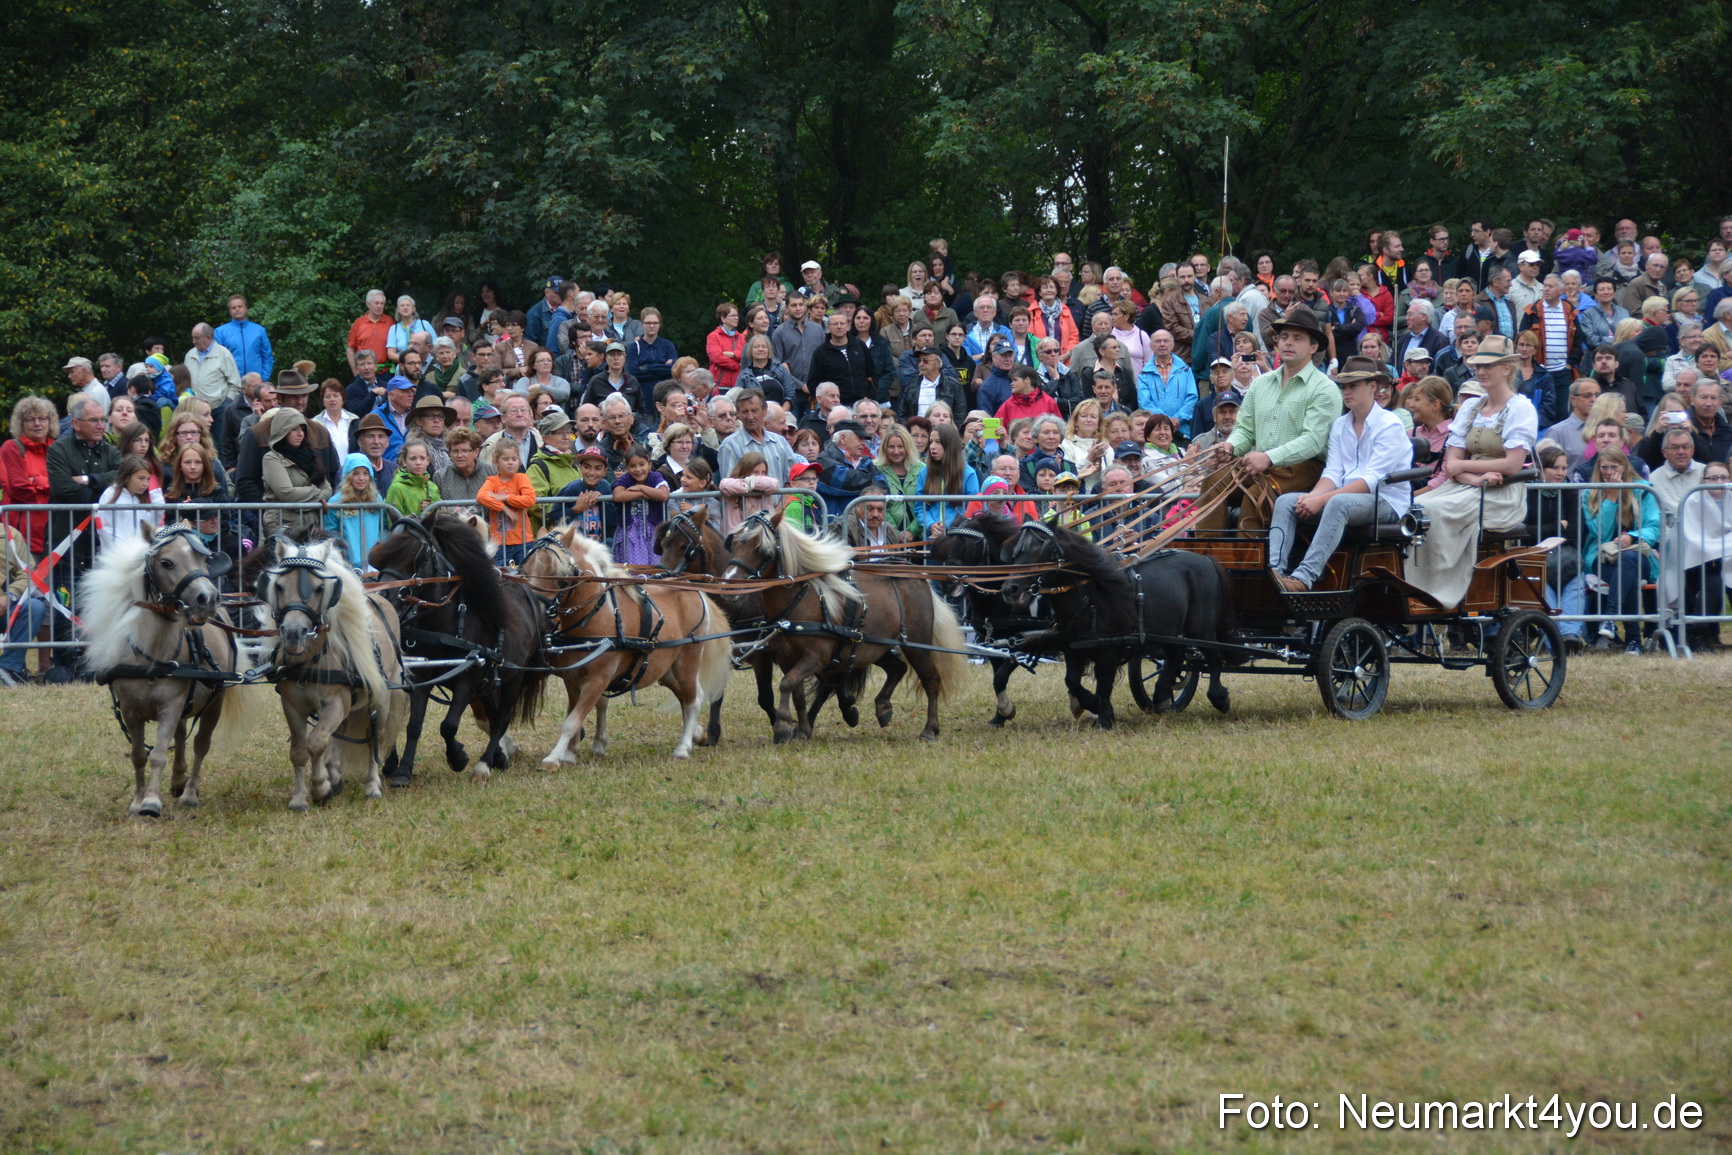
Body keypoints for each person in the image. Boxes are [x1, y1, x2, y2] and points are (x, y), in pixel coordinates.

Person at [1405, 335, 1539, 608]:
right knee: (1415, 507)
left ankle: (1440, 588)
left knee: (1437, 512)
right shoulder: (1471, 407)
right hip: (1469, 484)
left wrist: (1465, 468)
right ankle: (1412, 583)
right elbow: (1452, 465)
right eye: (1478, 366)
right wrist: (1473, 477)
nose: (1481, 371)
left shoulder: (1520, 409)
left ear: (1506, 369)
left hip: (1503, 493)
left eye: (1488, 366)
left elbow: (1512, 465)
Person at [1267, 358, 1413, 591]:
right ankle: (1274, 570)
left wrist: (1321, 500)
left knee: (1338, 503)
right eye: (1343, 386)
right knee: (1287, 501)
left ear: (1372, 387)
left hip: (1387, 501)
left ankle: (1304, 577)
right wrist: (1311, 498)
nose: (1346, 391)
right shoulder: (1340, 425)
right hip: (1347, 497)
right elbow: (1333, 472)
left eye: (1353, 386)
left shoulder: (1390, 424)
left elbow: (1371, 481)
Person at [1200, 305, 1337, 532]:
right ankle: (1207, 560)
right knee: (1213, 480)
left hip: (1304, 468)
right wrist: (1230, 445)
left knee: (1255, 496)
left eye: (1297, 338)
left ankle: (1249, 564)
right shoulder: (1261, 383)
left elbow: (1313, 441)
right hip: (1260, 465)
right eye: (1283, 337)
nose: (1288, 342)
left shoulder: (1325, 388)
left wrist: (1269, 457)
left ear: (1314, 347)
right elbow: (1245, 429)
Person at [1579, 447, 1659, 653]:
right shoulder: (1591, 492)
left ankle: (1610, 618)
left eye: (1613, 467)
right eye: (1604, 467)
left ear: (1625, 467)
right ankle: (1634, 642)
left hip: (1637, 552)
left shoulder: (1643, 489)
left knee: (1629, 561)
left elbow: (1654, 526)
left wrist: (1631, 536)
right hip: (1603, 555)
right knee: (1627, 576)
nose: (1608, 472)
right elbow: (1599, 532)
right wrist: (1611, 498)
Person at [1668, 460, 1731, 653]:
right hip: (1696, 563)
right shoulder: (1692, 501)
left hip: (1727, 560)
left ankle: (1706, 633)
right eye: (1713, 478)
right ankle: (1698, 633)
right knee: (1713, 582)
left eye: (1723, 477)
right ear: (1703, 481)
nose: (1719, 481)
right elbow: (1691, 537)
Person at [260, 408, 333, 535]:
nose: (300, 434)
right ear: (282, 431)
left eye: (302, 429)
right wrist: (316, 493)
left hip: (310, 527)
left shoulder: (310, 456)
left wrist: (308, 498)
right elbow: (287, 494)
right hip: (282, 527)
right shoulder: (271, 458)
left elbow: (328, 490)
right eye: (294, 429)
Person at [2, 396, 56, 560]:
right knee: (25, 584)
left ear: (50, 421)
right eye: (30, 419)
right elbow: (19, 489)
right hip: (22, 533)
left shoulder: (58, 448)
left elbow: (67, 487)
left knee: (54, 585)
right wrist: (52, 493)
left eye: (42, 418)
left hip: (53, 531)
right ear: (21, 424)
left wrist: (37, 481)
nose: (37, 423)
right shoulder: (12, 447)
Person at [323, 454, 395, 575]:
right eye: (356, 473)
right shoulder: (335, 502)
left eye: (365, 473)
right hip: (347, 564)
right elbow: (330, 531)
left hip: (374, 563)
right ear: (347, 475)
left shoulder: (376, 498)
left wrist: (379, 549)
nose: (361, 478)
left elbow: (383, 528)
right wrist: (343, 552)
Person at [476, 442, 540, 565]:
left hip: (523, 541)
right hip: (500, 543)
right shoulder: (492, 481)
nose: (510, 462)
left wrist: (506, 497)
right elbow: (481, 496)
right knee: (503, 576)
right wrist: (504, 508)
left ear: (519, 462)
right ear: (496, 462)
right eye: (505, 459)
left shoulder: (522, 478)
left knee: (526, 575)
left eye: (514, 459)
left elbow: (530, 499)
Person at [915, 422, 980, 536]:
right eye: (931, 442)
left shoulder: (968, 474)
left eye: (938, 442)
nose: (932, 446)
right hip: (932, 537)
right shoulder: (924, 473)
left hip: (958, 536)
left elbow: (972, 507)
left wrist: (948, 525)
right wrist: (930, 524)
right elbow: (920, 506)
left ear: (950, 445)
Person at [609, 447, 669, 565]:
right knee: (635, 566)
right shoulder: (625, 479)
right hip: (631, 532)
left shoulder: (655, 477)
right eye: (632, 466)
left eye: (642, 464)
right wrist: (643, 494)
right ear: (627, 467)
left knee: (656, 565)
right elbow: (618, 495)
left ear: (649, 464)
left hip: (653, 530)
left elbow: (663, 495)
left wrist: (641, 488)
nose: (638, 469)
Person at [213, 294, 274, 382]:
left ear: (246, 308)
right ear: (229, 311)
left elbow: (267, 357)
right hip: (231, 383)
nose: (237, 309)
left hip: (256, 383)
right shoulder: (220, 332)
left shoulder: (259, 330)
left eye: (240, 306)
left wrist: (263, 378)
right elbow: (217, 359)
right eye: (233, 308)